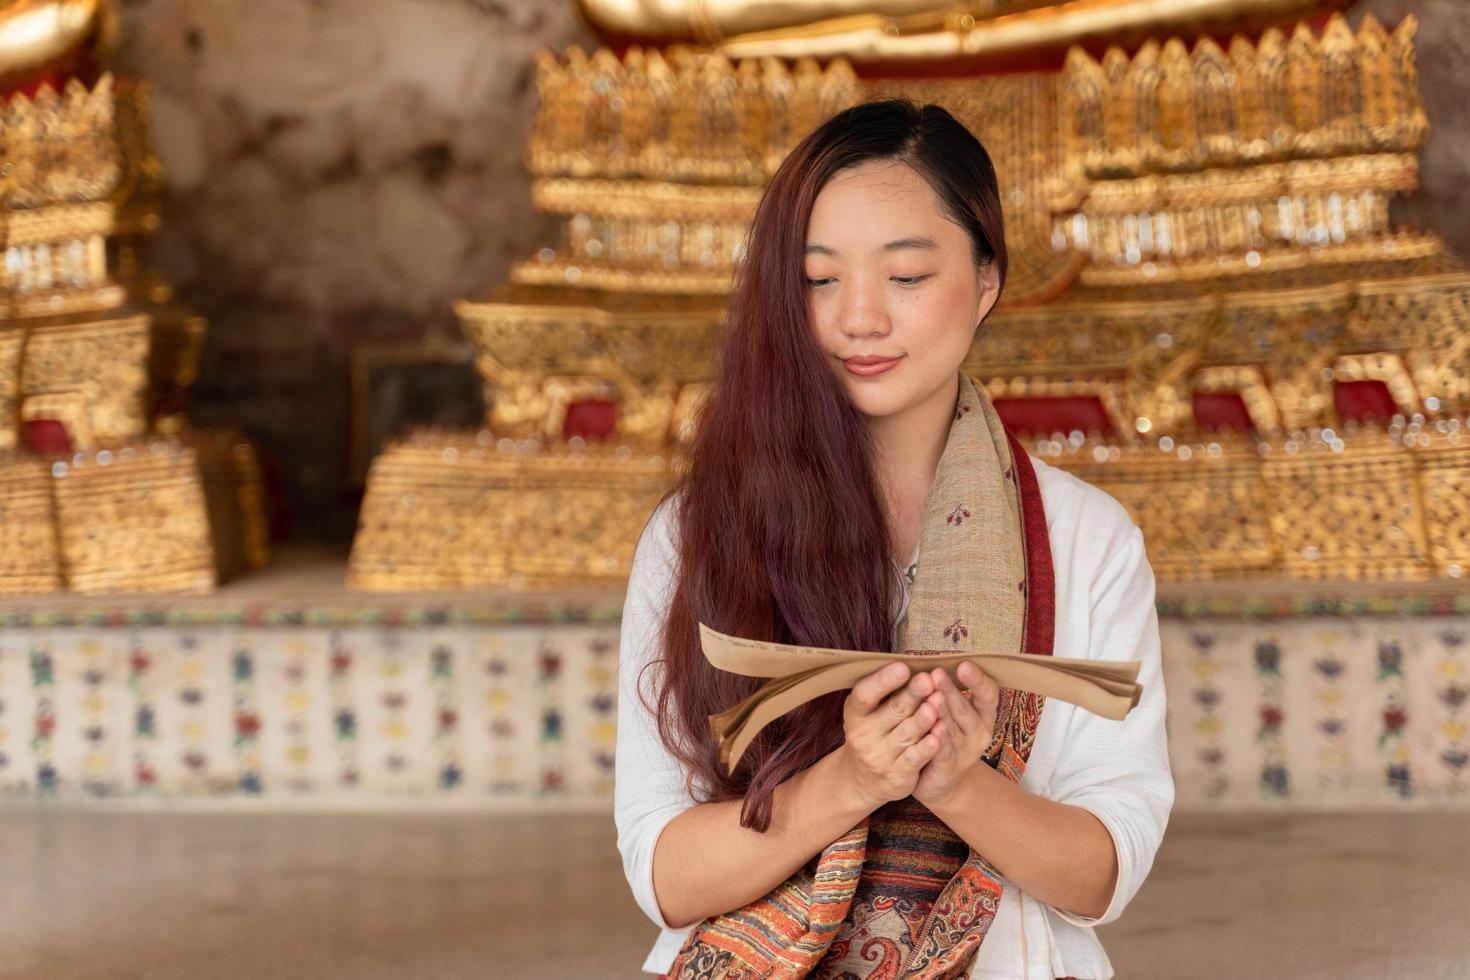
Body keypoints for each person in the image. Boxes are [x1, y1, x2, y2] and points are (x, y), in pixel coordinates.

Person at [614, 98, 1173, 980]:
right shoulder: (697, 533)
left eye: (907, 277)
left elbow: (1104, 872)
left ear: (986, 281)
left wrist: (956, 779)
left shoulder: (1083, 535)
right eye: (817, 279)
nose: (859, 319)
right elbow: (665, 878)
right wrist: (854, 779)